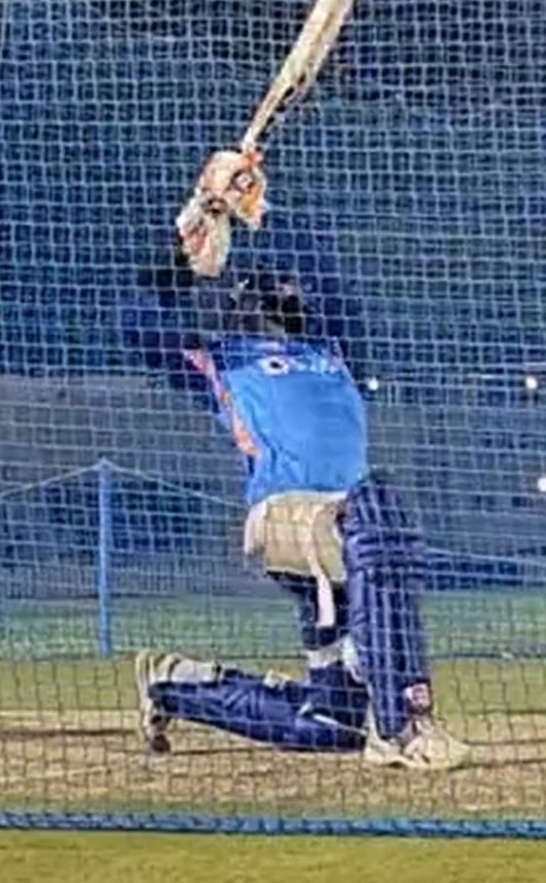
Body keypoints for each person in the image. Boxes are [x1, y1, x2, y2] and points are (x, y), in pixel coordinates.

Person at [122, 149, 469, 770]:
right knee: (380, 509)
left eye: (291, 290)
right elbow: (137, 326)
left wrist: (255, 208)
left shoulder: (335, 350)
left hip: (347, 536)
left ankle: (173, 681)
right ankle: (405, 725)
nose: (289, 292)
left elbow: (325, 270)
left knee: (332, 723)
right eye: (275, 289)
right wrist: (187, 239)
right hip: (284, 519)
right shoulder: (220, 358)